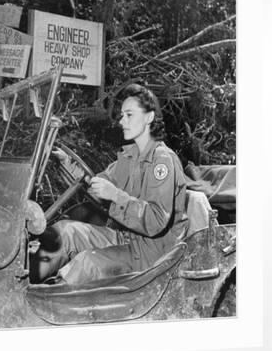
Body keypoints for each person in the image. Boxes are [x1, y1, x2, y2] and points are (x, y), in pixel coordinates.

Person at [34, 83, 188, 285]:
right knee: (64, 232)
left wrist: (116, 195)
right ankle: (23, 282)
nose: (122, 121)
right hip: (128, 239)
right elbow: (95, 184)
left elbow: (155, 221)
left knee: (88, 263)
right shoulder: (129, 157)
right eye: (122, 115)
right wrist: (66, 164)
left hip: (155, 253)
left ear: (149, 117)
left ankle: (48, 306)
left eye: (129, 115)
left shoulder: (162, 160)